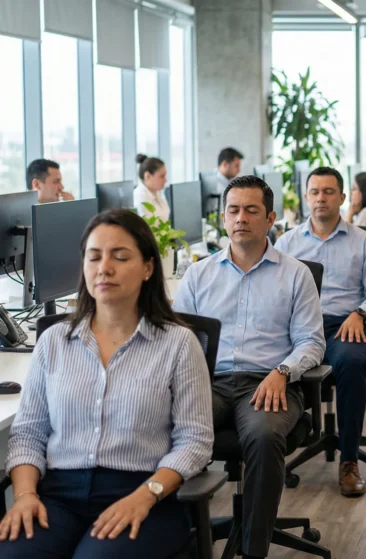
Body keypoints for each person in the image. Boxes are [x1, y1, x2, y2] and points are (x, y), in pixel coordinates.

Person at [0, 209, 213, 558]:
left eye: (120, 256)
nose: (104, 268)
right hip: (57, 496)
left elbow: (195, 441)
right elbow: (28, 434)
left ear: (147, 267)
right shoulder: (54, 341)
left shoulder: (178, 343)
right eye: (94, 256)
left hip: (143, 493)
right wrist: (24, 496)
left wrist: (146, 495)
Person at [172, 175, 325, 559]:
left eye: (251, 210)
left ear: (270, 217)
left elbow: (312, 341)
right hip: (210, 382)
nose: (241, 218)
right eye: (233, 210)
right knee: (160, 424)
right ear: (223, 218)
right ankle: (181, 539)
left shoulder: (295, 274)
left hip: (270, 381)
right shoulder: (198, 275)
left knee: (262, 435)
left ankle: (254, 551)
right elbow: (177, 343)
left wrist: (284, 371)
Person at [275, 167, 366, 498]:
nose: (321, 198)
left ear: (342, 197)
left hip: (344, 324)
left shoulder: (363, 241)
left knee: (351, 362)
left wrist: (360, 313)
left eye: (329, 191)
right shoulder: (287, 242)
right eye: (315, 192)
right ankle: (269, 453)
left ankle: (349, 460)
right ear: (306, 197)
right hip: (299, 326)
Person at [133, 154, 169, 221]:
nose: (166, 180)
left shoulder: (157, 193)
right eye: (162, 176)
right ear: (147, 176)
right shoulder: (141, 198)